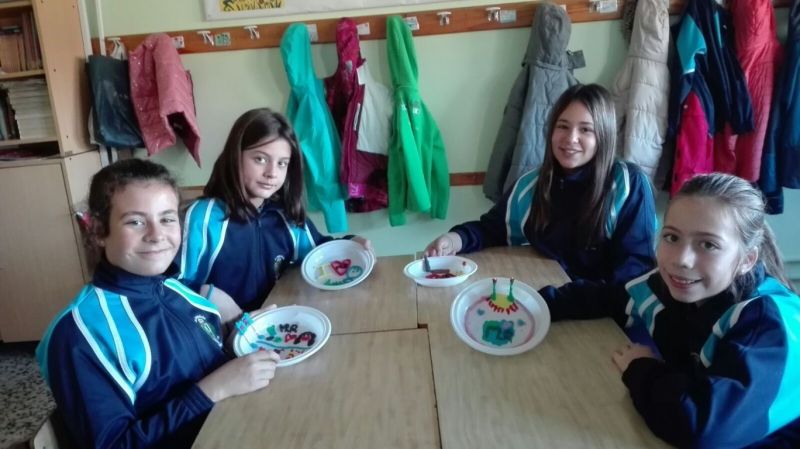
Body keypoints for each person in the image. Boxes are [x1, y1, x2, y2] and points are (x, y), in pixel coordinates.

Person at [36, 159, 281, 448]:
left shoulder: (175, 289)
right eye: (135, 222)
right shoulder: (77, 334)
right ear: (99, 231)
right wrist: (212, 390)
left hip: (235, 424)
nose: (156, 235)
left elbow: (200, 362)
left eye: (167, 219)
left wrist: (238, 339)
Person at [549, 173, 800, 448]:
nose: (681, 259)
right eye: (672, 237)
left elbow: (702, 429)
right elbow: (606, 297)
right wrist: (533, 305)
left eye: (708, 244)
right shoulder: (669, 284)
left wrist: (641, 367)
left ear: (747, 260)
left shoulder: (765, 324)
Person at [426, 84, 658, 307]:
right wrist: (454, 240)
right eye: (563, 126)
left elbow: (633, 279)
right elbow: (492, 229)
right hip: (547, 298)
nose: (571, 138)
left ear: (604, 135)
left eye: (586, 129)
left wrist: (554, 302)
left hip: (603, 315)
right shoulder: (531, 185)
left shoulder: (630, 185)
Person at [179, 108, 371, 312]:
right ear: (235, 156)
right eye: (260, 159)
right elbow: (173, 288)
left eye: (282, 163)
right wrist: (214, 301)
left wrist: (352, 243)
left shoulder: (285, 214)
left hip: (279, 324)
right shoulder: (203, 218)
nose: (272, 173)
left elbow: (318, 251)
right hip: (222, 329)